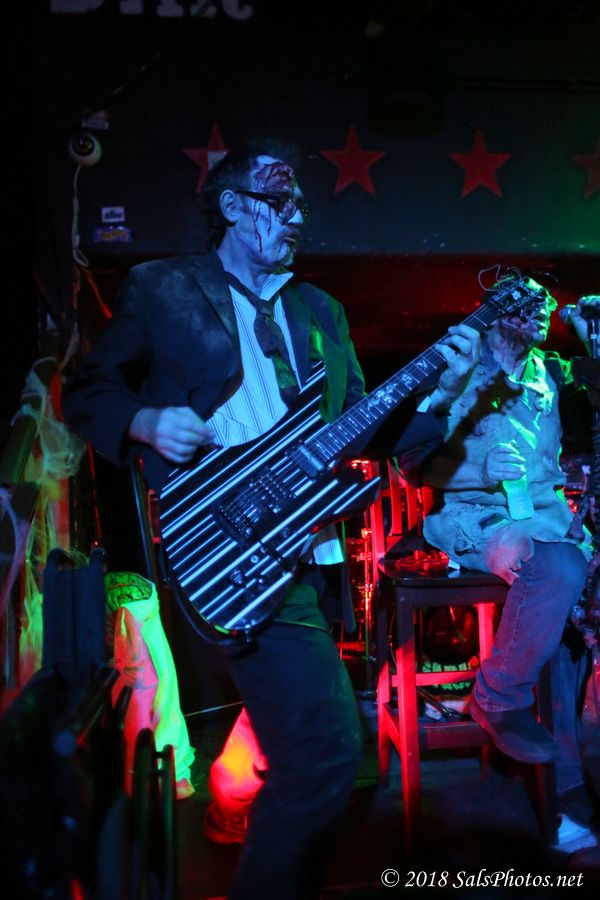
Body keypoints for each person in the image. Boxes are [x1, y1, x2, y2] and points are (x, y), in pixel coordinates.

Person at [62, 140, 480, 899]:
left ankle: (245, 825)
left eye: (301, 207)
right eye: (279, 202)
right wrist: (146, 421)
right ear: (231, 206)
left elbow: (363, 430)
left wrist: (445, 393)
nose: (296, 218)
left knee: (304, 746)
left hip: (310, 549)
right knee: (326, 753)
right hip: (227, 539)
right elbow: (87, 393)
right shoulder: (164, 287)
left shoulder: (322, 311)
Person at [418, 273, 600, 846]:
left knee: (573, 588)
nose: (540, 309)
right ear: (497, 309)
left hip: (545, 516)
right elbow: (415, 463)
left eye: (544, 302)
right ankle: (498, 695)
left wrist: (590, 339)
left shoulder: (551, 372)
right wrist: (478, 470)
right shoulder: (460, 365)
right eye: (526, 302)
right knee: (557, 570)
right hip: (476, 515)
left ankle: (569, 781)